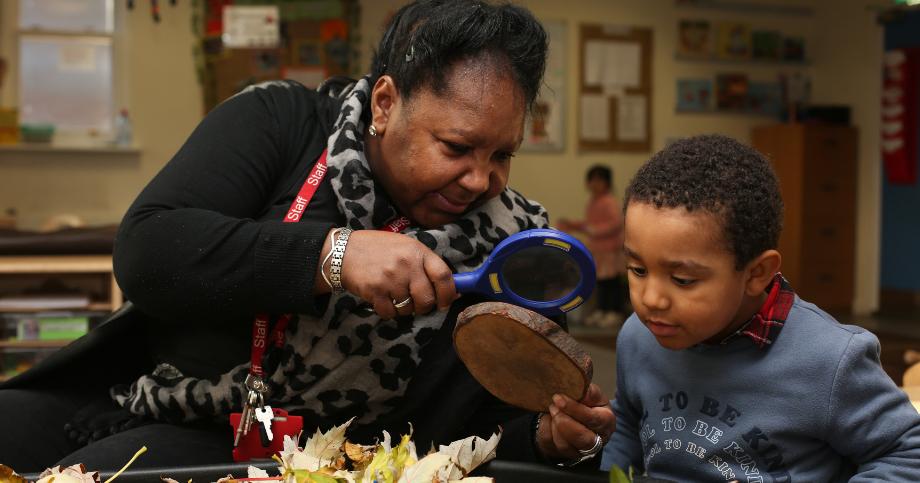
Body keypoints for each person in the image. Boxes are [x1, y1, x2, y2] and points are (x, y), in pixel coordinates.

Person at [0, 0, 615, 473]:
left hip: (336, 462)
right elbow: (148, 248)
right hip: (163, 398)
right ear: (383, 103)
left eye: (502, 154)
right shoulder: (280, 122)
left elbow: (475, 433)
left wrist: (549, 438)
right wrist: (333, 254)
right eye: (455, 147)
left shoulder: (516, 247)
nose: (481, 179)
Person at [600, 134, 920, 480]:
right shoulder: (638, 336)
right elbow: (628, 425)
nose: (651, 299)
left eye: (682, 280)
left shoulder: (830, 360)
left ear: (757, 274)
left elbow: (906, 452)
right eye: (638, 270)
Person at [556, 165, 626, 330]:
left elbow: (616, 223)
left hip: (610, 250)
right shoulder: (593, 201)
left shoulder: (609, 201)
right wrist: (573, 225)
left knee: (611, 282)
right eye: (592, 180)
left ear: (607, 183)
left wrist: (593, 230)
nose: (595, 184)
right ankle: (602, 310)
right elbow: (589, 224)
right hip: (598, 250)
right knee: (600, 282)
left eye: (599, 180)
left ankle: (613, 312)